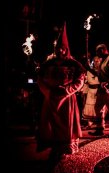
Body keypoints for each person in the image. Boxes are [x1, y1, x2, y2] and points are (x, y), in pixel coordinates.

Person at [36, 22, 86, 162]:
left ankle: (64, 149)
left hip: (67, 99)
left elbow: (80, 80)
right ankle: (54, 148)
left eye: (63, 49)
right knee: (50, 124)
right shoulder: (48, 63)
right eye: (58, 49)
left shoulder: (74, 64)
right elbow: (40, 79)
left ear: (66, 49)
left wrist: (67, 90)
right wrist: (48, 92)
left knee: (66, 124)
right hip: (50, 99)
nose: (60, 51)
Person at [88, 44, 109, 138]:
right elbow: (100, 75)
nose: (96, 53)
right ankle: (100, 128)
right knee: (98, 108)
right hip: (102, 89)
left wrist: (107, 83)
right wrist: (88, 68)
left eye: (97, 51)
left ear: (103, 50)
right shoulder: (103, 60)